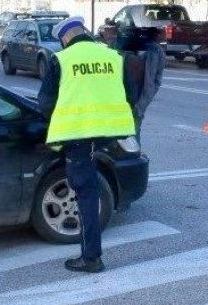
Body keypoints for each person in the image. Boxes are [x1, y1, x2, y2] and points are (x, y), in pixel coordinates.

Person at [37, 17, 137, 273]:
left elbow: (46, 103)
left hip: (78, 137)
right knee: (93, 190)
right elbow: (131, 95)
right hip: (108, 134)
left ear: (65, 38)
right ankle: (91, 254)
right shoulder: (113, 56)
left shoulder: (61, 59)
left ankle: (91, 257)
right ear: (84, 32)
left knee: (86, 195)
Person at [123, 27, 165, 140]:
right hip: (122, 101)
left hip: (137, 102)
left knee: (133, 134)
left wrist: (142, 104)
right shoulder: (121, 49)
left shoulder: (155, 51)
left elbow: (156, 80)